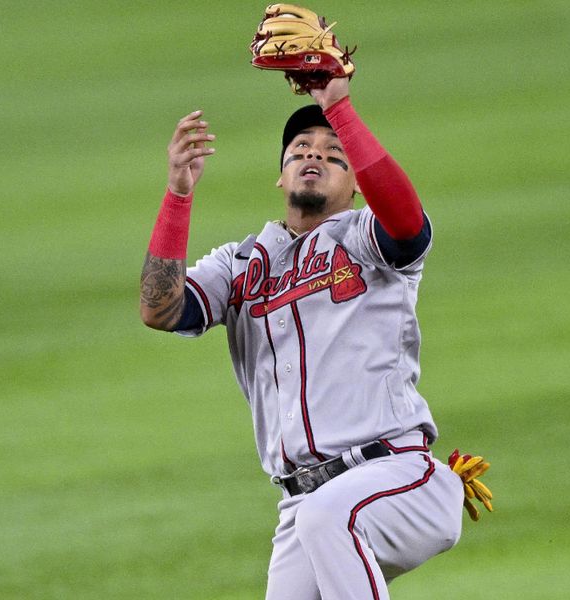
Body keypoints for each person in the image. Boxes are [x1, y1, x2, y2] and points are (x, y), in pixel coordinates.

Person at [139, 76, 464, 600]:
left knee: (326, 516)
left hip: (398, 476)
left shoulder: (363, 237)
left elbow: (405, 224)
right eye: (300, 150)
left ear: (356, 183)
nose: (314, 156)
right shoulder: (240, 264)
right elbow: (159, 308)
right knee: (315, 517)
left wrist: (339, 109)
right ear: (280, 175)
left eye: (334, 154)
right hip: (302, 504)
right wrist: (178, 194)